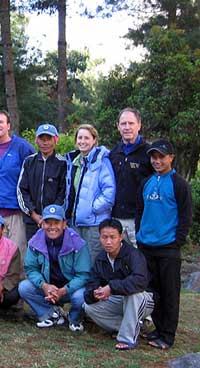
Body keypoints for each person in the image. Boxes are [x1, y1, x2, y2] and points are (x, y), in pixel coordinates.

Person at [136, 139, 192, 350]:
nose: (157, 161)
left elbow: (186, 216)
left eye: (161, 157)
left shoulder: (179, 184)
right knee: (153, 291)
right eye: (154, 157)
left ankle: (167, 335)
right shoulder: (147, 182)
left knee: (169, 292)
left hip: (168, 248)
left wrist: (177, 241)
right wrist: (141, 233)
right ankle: (158, 328)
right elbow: (140, 211)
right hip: (146, 246)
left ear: (171, 157)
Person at [84, 219, 153, 350]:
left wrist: (110, 287)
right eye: (104, 237)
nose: (108, 241)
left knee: (132, 295)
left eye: (112, 237)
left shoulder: (133, 254)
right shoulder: (101, 258)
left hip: (144, 299)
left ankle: (127, 339)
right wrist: (94, 293)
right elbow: (92, 282)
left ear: (120, 237)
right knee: (89, 307)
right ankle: (135, 326)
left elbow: (140, 281)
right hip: (117, 299)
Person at [19, 204, 90, 332]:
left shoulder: (78, 243)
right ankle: (51, 314)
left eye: (56, 222)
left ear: (64, 224)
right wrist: (44, 286)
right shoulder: (35, 241)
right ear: (42, 224)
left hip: (69, 289)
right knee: (24, 287)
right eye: (48, 223)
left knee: (81, 295)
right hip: (48, 288)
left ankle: (75, 318)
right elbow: (30, 269)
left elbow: (83, 275)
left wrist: (63, 290)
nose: (52, 227)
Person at [0, 110, 35, 258]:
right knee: (0, 258)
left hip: (16, 212)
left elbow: (34, 175)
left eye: (1, 122)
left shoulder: (22, 147)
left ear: (8, 125)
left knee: (18, 254)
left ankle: (22, 282)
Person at [65, 124, 116, 263]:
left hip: (93, 223)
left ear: (94, 140)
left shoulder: (102, 162)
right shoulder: (74, 162)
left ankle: (94, 286)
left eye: (86, 138)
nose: (82, 141)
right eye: (79, 138)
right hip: (75, 222)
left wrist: (92, 209)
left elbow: (109, 193)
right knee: (78, 260)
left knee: (93, 261)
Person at [109, 108, 153, 246]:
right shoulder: (113, 153)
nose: (127, 127)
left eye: (131, 123)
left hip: (139, 220)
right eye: (123, 123)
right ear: (118, 126)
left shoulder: (149, 152)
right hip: (116, 218)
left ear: (139, 125)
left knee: (140, 262)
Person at [17, 123, 66, 242]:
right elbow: (22, 190)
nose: (45, 143)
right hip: (32, 221)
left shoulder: (62, 163)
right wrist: (34, 214)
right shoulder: (29, 162)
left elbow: (64, 192)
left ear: (55, 140)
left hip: (55, 222)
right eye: (42, 139)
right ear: (36, 140)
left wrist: (51, 217)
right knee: (34, 254)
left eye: (48, 139)